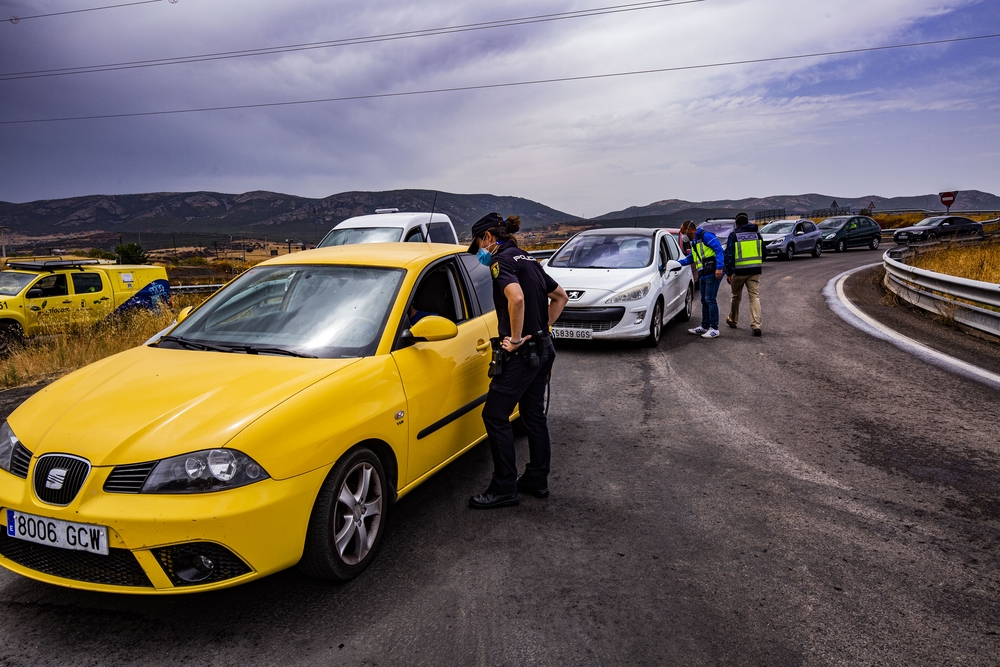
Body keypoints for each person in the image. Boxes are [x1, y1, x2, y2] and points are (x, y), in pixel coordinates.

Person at [466, 212, 569, 509]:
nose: (481, 252)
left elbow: (516, 299)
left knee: (495, 416)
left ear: (488, 237)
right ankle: (537, 479)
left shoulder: (502, 261)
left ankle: (504, 487)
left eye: (479, 244)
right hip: (543, 349)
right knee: (533, 414)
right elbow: (560, 297)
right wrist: (541, 330)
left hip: (522, 355)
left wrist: (514, 338)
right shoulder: (528, 259)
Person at [675, 220, 726, 338]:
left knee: (710, 299)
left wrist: (719, 267)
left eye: (683, 232)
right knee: (704, 300)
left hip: (712, 272)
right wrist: (677, 264)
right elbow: (691, 258)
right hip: (703, 273)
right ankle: (704, 326)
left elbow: (719, 250)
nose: (683, 235)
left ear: (689, 229)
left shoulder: (706, 236)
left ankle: (714, 328)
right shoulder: (694, 242)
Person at [724, 212, 763, 336]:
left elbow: (729, 255)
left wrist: (729, 272)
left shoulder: (734, 235)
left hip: (739, 272)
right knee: (754, 297)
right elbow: (765, 252)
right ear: (748, 222)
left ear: (737, 224)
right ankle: (756, 325)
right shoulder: (757, 234)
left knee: (736, 296)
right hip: (754, 271)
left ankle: (733, 320)